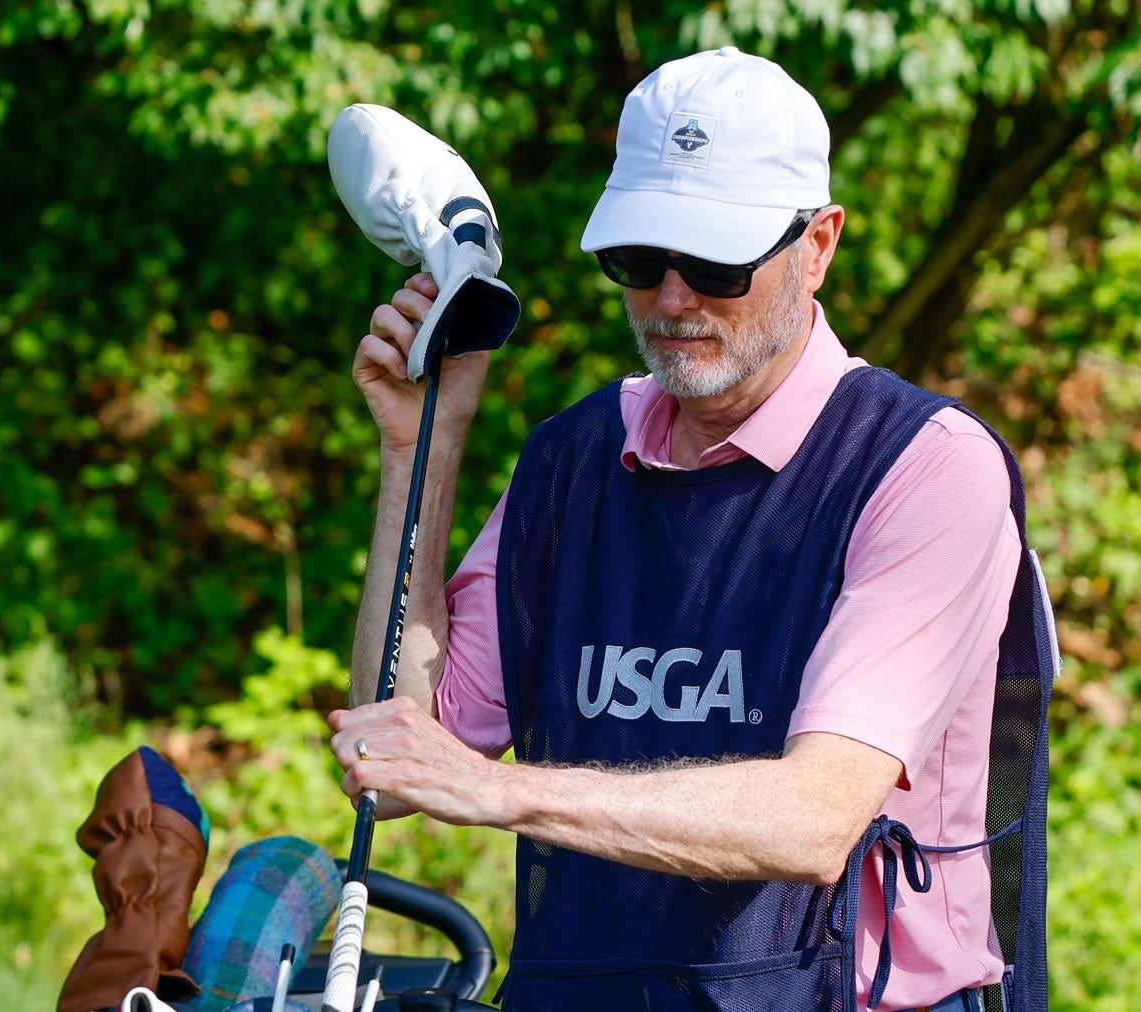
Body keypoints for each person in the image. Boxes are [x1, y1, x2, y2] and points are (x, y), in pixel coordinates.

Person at [330, 47, 1021, 1012]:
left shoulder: (925, 467)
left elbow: (816, 818)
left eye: (715, 262)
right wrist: (422, 453)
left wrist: (507, 794)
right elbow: (398, 760)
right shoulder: (571, 459)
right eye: (639, 258)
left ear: (817, 245)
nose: (670, 298)